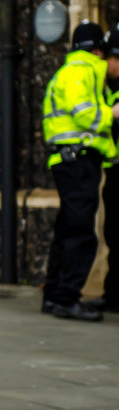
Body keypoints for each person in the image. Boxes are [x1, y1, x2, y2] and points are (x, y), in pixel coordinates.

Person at [40, 21, 117, 322]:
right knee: (81, 231)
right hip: (78, 160)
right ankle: (66, 298)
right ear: (99, 51)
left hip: (70, 159)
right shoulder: (82, 72)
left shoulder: (70, 70)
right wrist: (112, 113)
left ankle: (54, 294)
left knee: (67, 227)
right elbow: (85, 113)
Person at [85, 26, 119, 314]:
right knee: (112, 233)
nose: (109, 64)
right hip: (113, 169)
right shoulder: (106, 87)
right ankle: (113, 294)